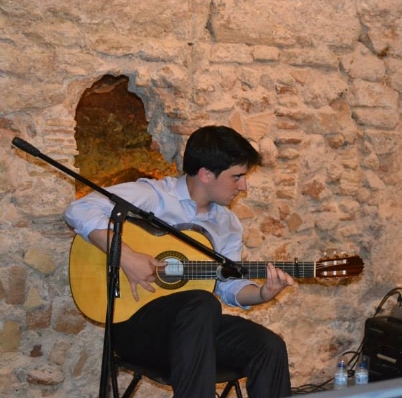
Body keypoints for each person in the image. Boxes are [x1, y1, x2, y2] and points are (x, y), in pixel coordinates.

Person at [64, 125, 294, 397]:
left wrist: (262, 293)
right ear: (206, 174)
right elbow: (79, 208)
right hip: (136, 329)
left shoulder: (228, 224)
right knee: (202, 303)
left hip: (194, 331)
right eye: (237, 177)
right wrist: (127, 256)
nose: (243, 187)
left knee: (268, 345)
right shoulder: (154, 196)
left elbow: (228, 286)